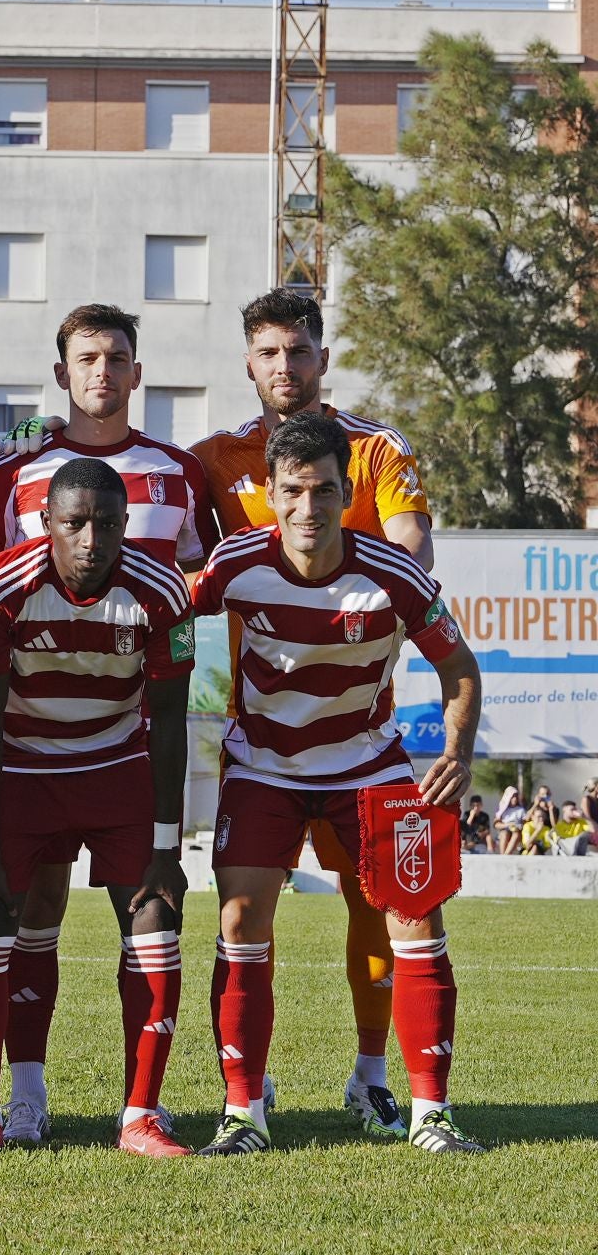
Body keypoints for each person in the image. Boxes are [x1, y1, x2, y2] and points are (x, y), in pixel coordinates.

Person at [191, 412, 484, 1155]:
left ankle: (432, 1115)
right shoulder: (234, 565)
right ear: (273, 493)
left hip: (368, 765)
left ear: (344, 491)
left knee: (417, 921)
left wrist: (458, 749)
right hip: (264, 766)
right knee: (238, 924)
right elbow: (165, 614)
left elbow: (460, 669)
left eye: (323, 491)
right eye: (292, 491)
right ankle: (242, 1114)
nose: (307, 508)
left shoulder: (393, 574)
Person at [0, 302, 214, 1144]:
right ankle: (21, 1097)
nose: (101, 372)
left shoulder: (178, 475)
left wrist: (167, 837)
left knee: (150, 909)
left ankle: (141, 1110)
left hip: (121, 747)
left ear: (136, 372)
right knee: (27, 904)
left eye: (117, 356)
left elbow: (189, 597)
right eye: (86, 357)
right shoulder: (15, 476)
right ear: (62, 371)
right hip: (29, 754)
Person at [494, 785, 527, 854]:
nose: (514, 799)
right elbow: (496, 825)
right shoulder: (502, 810)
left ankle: (506, 855)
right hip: (505, 831)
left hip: (517, 832)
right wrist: (508, 825)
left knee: (516, 835)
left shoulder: (521, 810)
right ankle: (503, 855)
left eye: (515, 796)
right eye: (512, 797)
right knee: (504, 834)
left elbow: (525, 823)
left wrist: (518, 826)